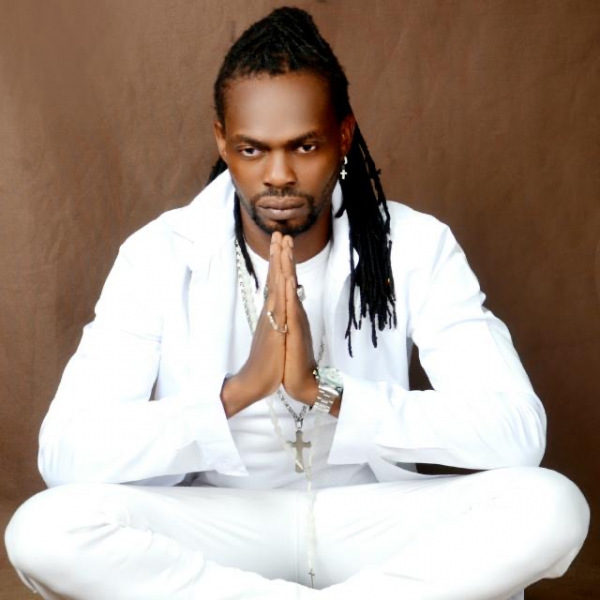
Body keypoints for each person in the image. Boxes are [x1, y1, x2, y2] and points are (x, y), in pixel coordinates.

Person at [4, 7, 589, 600]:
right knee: (44, 531)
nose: (279, 175)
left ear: (343, 135)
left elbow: (517, 433)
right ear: (222, 141)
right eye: (252, 150)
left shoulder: (414, 245)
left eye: (304, 146)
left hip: (371, 515)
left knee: (551, 505)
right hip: (219, 521)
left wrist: (327, 390)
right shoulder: (160, 254)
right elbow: (66, 453)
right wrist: (237, 392)